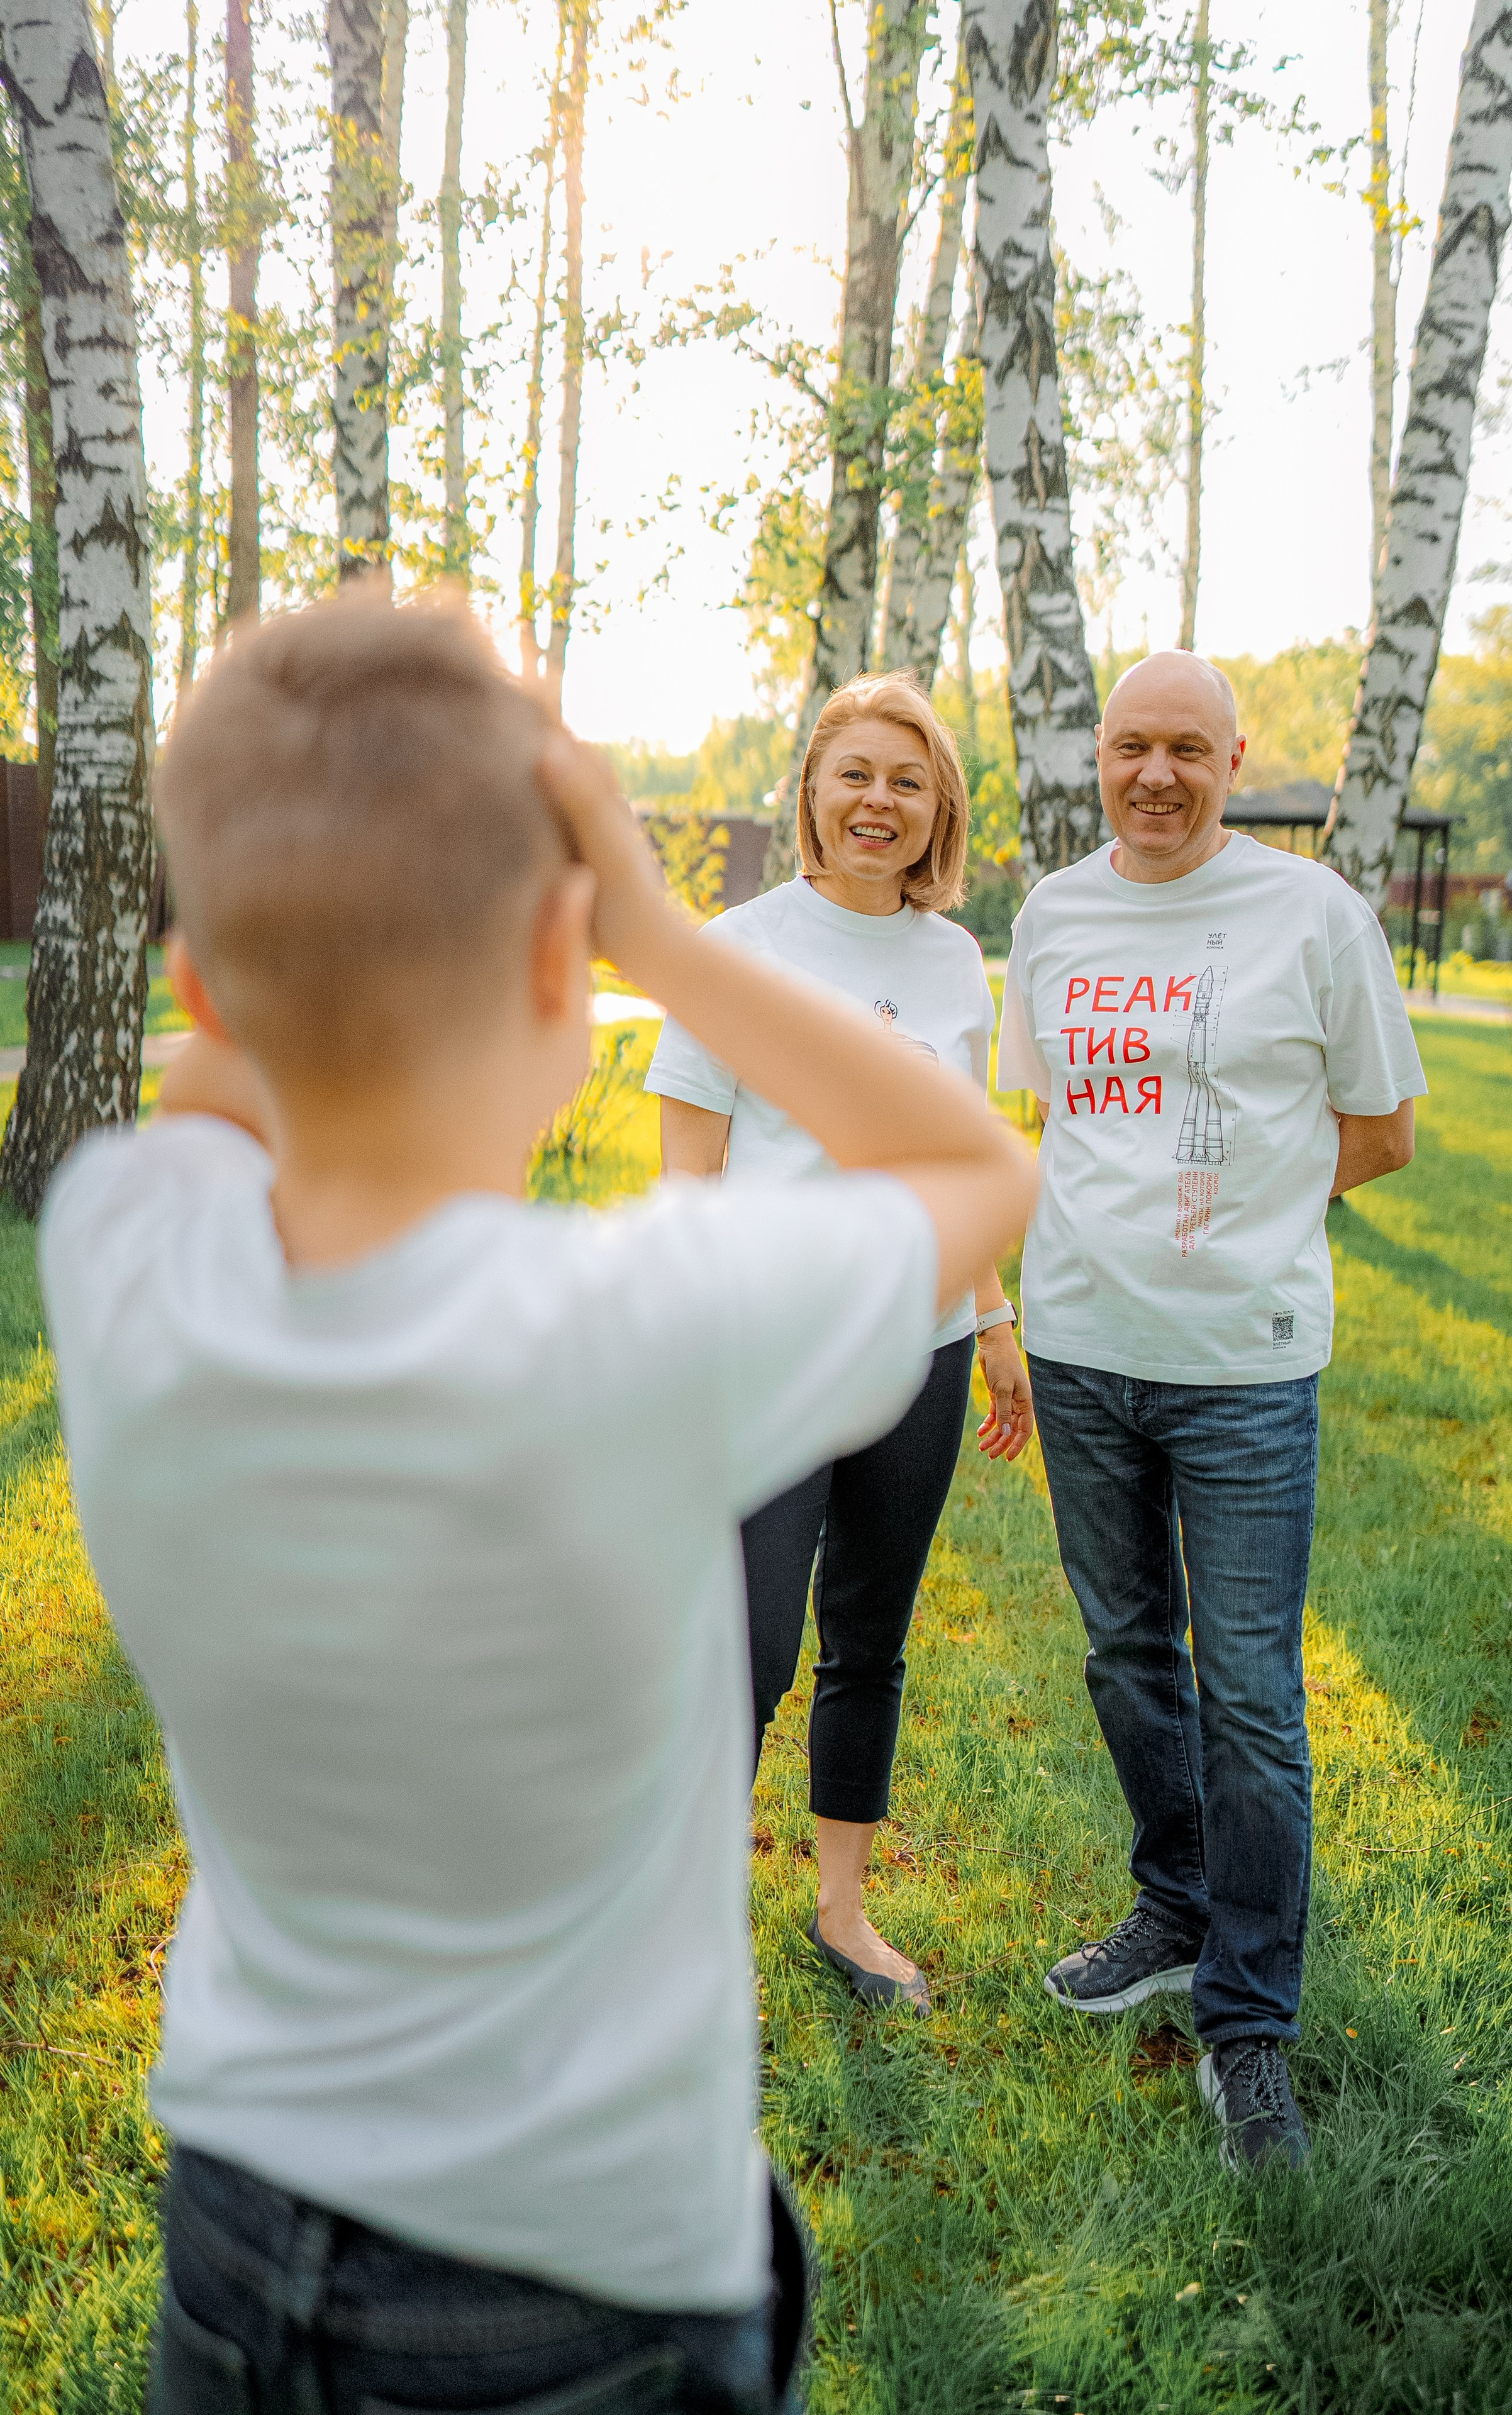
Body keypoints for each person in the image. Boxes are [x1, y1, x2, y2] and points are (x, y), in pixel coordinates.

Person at [39, 590, 1036, 2412]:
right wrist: (657, 918)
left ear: (201, 983)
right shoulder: (648, 1334)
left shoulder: (123, 1251)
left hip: (238, 2229)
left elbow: (211, 1089)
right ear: (567, 968)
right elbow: (969, 1163)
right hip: (570, 2288)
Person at [996, 649, 1425, 2173]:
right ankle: (1173, 1907)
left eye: (1187, 747)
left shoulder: (1313, 916)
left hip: (1243, 1365)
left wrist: (1239, 1218)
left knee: (1246, 1694)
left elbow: (1380, 1130)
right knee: (1124, 1653)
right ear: (1096, 762)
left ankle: (1249, 2024)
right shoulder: (1050, 917)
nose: (1156, 775)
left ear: (1234, 761)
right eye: (1130, 748)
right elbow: (1055, 1123)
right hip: (1080, 1352)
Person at [645, 672, 1034, 2016]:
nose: (878, 803)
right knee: (742, 1643)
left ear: (938, 812)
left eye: (905, 782)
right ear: (810, 791)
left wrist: (989, 1316)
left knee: (868, 1633)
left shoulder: (948, 960)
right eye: (855, 775)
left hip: (917, 1345)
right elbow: (686, 1166)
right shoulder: (734, 947)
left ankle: (841, 1913)